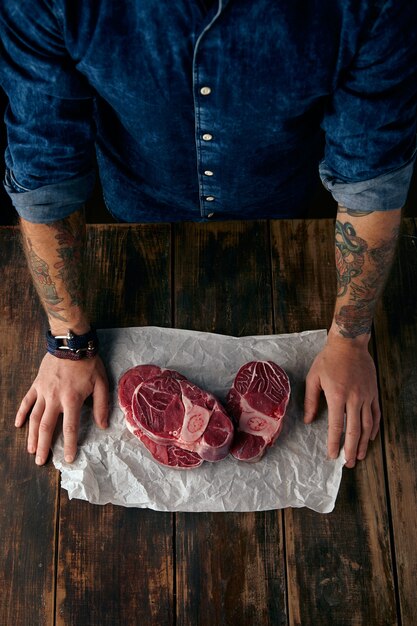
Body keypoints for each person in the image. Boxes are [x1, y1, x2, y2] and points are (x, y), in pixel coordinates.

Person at [1, 1, 416, 468]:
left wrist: (349, 343)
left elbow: (371, 179)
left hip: (284, 214)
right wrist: (69, 344)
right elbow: (45, 174)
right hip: (139, 211)